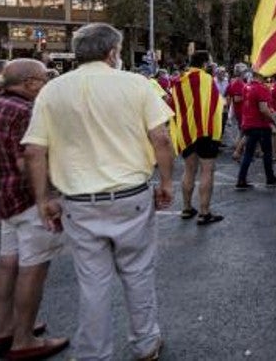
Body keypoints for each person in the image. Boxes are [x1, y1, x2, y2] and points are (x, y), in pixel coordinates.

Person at [21, 23, 174, 361]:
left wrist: (43, 198)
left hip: (79, 202)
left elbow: (34, 150)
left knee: (93, 283)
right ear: (113, 53)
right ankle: (146, 343)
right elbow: (161, 138)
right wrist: (166, 183)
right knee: (138, 273)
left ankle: (94, 353)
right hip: (131, 196)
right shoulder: (136, 84)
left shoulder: (53, 90)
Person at [0, 59, 68, 361]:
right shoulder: (26, 111)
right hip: (29, 200)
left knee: (8, 264)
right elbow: (28, 160)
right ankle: (24, 339)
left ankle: (5, 329)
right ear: (30, 82)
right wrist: (49, 195)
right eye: (43, 80)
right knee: (34, 268)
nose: (45, 85)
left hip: (4, 197)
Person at [171, 51, 225, 226]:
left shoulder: (179, 81)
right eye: (209, 62)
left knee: (189, 170)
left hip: (186, 131)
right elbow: (216, 104)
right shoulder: (206, 79)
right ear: (204, 63)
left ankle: (186, 208)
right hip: (205, 131)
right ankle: (204, 212)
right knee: (207, 170)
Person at [235, 71, 276, 190]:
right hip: (261, 125)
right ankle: (270, 178)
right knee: (267, 152)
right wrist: (274, 120)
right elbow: (263, 109)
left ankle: (241, 179)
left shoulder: (246, 87)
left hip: (249, 123)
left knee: (248, 153)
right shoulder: (261, 88)